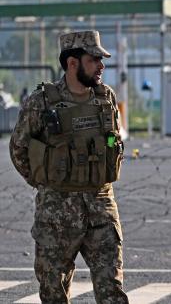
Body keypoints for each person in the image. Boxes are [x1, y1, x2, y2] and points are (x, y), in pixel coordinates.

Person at [9, 30, 128, 304]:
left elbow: (114, 141)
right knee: (53, 292)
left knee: (112, 291)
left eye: (101, 59)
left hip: (101, 207)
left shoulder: (105, 98)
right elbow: (19, 148)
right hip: (57, 213)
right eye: (94, 59)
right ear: (72, 63)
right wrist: (48, 182)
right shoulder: (42, 102)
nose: (101, 66)